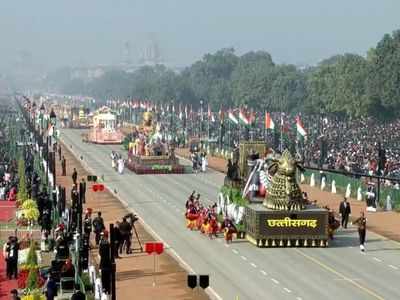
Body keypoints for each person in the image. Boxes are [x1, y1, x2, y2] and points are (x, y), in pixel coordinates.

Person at [99, 230, 112, 294]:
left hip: (103, 263)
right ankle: (108, 289)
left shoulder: (102, 243)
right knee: (108, 278)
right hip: (108, 263)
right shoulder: (108, 242)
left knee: (104, 277)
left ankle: (105, 288)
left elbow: (100, 253)